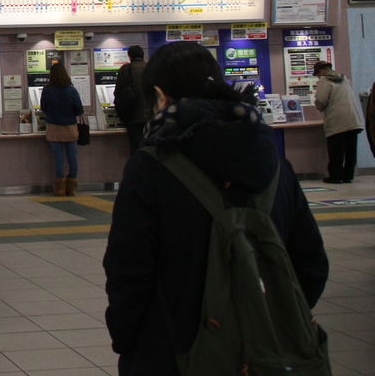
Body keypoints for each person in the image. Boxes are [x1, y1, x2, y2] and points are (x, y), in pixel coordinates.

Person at [103, 42, 328, 374]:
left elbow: (129, 270)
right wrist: (265, 316)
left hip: (172, 350)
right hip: (266, 354)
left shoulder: (150, 169)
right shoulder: (276, 165)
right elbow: (311, 263)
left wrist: (127, 339)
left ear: (160, 95)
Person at [312, 61, 363, 184]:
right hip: (353, 119)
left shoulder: (325, 81)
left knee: (336, 151)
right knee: (351, 150)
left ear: (321, 71)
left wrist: (318, 106)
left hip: (337, 120)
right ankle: (348, 176)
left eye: (318, 74)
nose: (318, 77)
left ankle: (335, 177)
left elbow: (321, 101)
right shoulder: (344, 78)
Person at [41, 62, 83, 196]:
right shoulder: (71, 90)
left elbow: (43, 107)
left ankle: (59, 189)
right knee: (72, 157)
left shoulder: (47, 90)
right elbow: (79, 109)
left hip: (53, 126)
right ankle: (71, 188)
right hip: (70, 126)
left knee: (58, 157)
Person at [113, 45, 154, 154]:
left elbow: (117, 93)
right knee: (150, 146)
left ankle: (137, 168)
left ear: (129, 56)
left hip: (132, 116)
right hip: (151, 115)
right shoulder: (151, 68)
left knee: (135, 146)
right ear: (143, 55)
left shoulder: (125, 69)